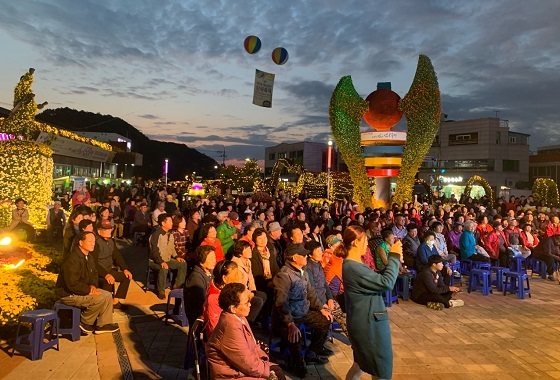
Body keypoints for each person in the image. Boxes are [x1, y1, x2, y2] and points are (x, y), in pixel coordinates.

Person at [341, 225, 402, 380]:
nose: (367, 244)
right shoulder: (352, 267)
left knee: (360, 364)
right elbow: (387, 282)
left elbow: (375, 280)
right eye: (365, 240)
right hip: (369, 326)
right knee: (381, 369)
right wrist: (394, 256)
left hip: (364, 321)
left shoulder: (353, 264)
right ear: (355, 242)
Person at [272, 244, 333, 378]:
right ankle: (297, 364)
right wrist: (290, 323)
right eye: (303, 255)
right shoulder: (284, 275)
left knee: (325, 321)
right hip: (289, 317)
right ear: (294, 257)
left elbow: (311, 294)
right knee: (295, 338)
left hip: (303, 311)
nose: (306, 256)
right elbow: (281, 303)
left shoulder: (303, 272)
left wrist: (321, 308)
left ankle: (312, 354)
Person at [206, 283, 286, 380]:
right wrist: (266, 369)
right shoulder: (231, 326)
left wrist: (263, 359)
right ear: (233, 308)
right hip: (230, 374)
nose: (250, 304)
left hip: (241, 368)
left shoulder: (240, 317)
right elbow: (246, 362)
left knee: (277, 371)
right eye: (246, 302)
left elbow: (252, 345)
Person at [55, 232, 119, 334]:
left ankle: (103, 324)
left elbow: (94, 275)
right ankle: (85, 322)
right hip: (68, 294)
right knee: (99, 298)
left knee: (107, 295)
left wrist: (93, 286)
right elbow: (72, 284)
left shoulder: (88, 257)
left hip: (81, 289)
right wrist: (89, 291)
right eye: (90, 241)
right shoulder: (72, 259)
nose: (93, 244)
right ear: (80, 242)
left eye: (94, 241)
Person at [92, 219, 133, 308]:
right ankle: (103, 305)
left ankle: (115, 301)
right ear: (99, 231)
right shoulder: (96, 243)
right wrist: (105, 274)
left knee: (126, 277)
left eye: (110, 229)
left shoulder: (111, 241)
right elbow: (94, 264)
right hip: (98, 272)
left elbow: (117, 256)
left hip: (108, 269)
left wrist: (125, 268)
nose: (108, 231)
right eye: (106, 229)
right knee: (109, 280)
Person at [149, 213, 187, 299]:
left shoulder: (170, 233)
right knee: (163, 268)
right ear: (163, 223)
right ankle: (161, 291)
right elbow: (154, 251)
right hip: (155, 260)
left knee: (183, 264)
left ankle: (177, 285)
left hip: (167, 259)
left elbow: (172, 248)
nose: (172, 223)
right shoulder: (156, 235)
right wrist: (161, 261)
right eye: (169, 221)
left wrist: (177, 256)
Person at [231, 240, 267, 324]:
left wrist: (253, 290)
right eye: (246, 250)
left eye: (249, 249)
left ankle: (258, 319)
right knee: (258, 301)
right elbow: (239, 285)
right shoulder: (235, 265)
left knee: (263, 295)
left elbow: (251, 278)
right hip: (239, 292)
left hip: (246, 290)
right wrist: (249, 293)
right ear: (240, 253)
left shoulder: (248, 261)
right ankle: (247, 323)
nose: (250, 251)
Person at [204, 260, 242, 335]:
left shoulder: (225, 290)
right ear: (224, 278)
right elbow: (214, 328)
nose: (239, 277)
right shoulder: (214, 298)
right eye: (236, 275)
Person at [184, 245, 217, 326]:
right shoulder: (196, 278)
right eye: (210, 259)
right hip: (199, 316)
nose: (214, 261)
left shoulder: (210, 272)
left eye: (214, 257)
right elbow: (200, 302)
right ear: (201, 262)